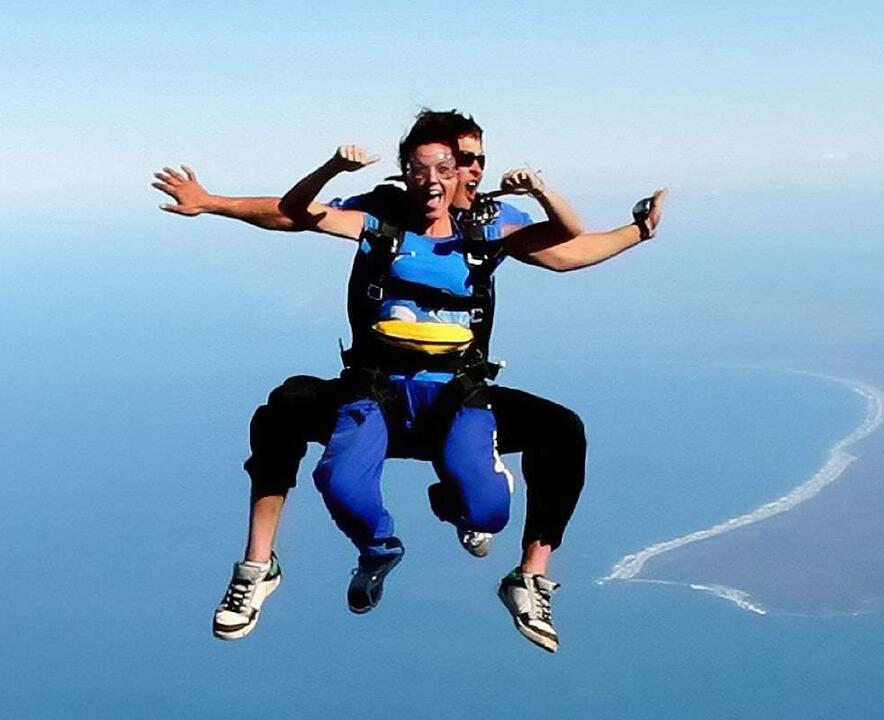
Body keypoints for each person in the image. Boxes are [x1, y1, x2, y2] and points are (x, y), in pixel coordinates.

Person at [153, 110, 666, 651]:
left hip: (457, 395)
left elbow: (567, 249)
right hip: (376, 390)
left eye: (471, 162)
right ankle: (260, 566)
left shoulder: (493, 224)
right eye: (452, 162)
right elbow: (294, 215)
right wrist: (212, 202)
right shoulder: (383, 213)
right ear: (414, 170)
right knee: (282, 412)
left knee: (559, 433)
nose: (463, 173)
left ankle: (526, 571)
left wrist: (638, 230)